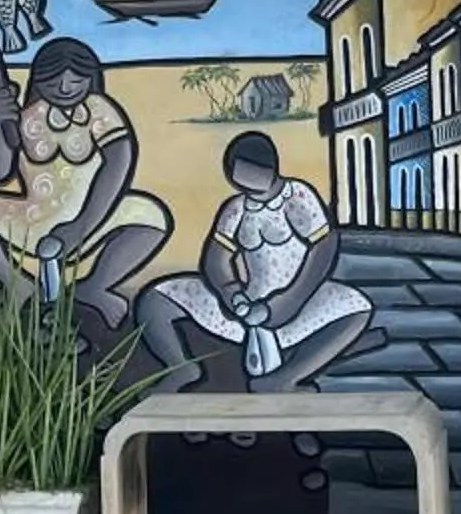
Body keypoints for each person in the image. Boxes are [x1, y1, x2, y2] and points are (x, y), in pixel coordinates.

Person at [0, 35, 170, 325]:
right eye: (54, 81)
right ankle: (16, 285)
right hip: (32, 218)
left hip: (95, 215)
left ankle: (94, 286)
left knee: (152, 219)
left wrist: (82, 226)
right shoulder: (25, 116)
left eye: (75, 81)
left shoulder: (98, 111)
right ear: (39, 79)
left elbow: (118, 164)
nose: (64, 89)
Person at [136, 132, 372, 392]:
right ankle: (180, 368)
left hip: (299, 297)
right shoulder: (237, 208)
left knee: (357, 309)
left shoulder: (297, 196)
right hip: (247, 303)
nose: (249, 185)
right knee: (156, 299)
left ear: (270, 167)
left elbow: (324, 247)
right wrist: (231, 292)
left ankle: (285, 379)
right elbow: (216, 258)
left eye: (254, 173)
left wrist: (289, 300)